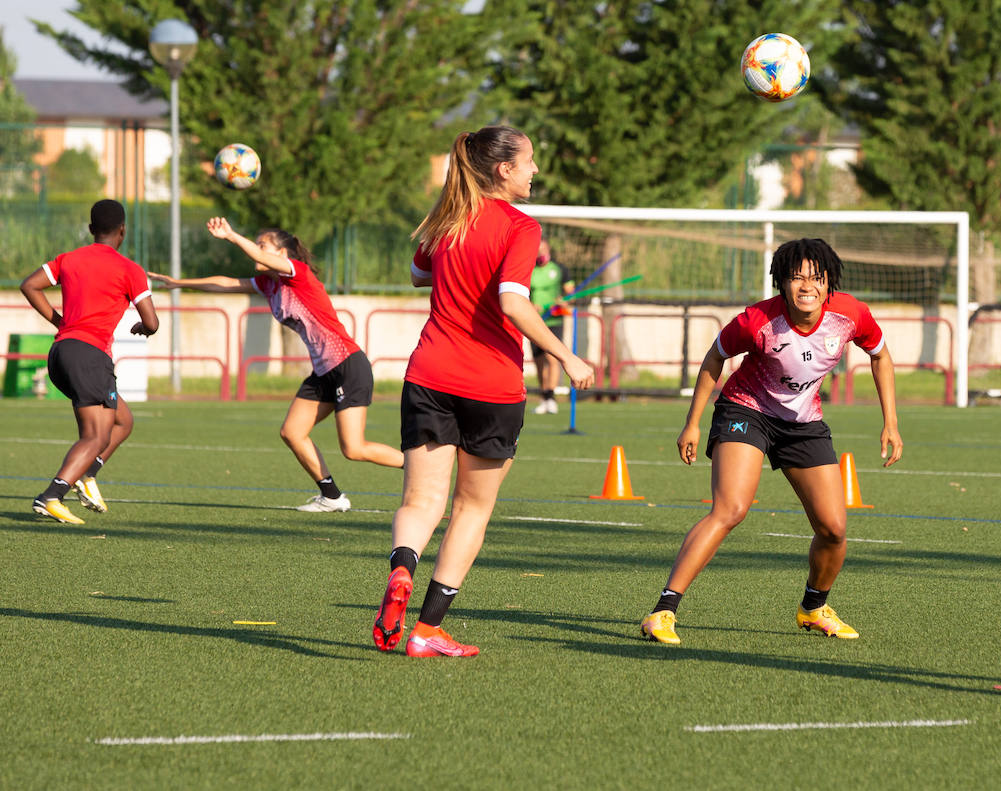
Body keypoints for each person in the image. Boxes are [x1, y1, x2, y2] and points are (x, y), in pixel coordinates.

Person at [371, 125, 595, 658]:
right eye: (529, 162)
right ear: (503, 169)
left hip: (428, 375)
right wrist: (566, 356)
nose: (535, 170)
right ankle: (427, 630)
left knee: (421, 500)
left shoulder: (448, 218)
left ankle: (402, 568)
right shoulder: (520, 226)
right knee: (471, 509)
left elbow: (415, 274)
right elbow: (513, 302)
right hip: (491, 386)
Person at [639, 238, 902, 646]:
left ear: (829, 281)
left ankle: (814, 608)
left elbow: (880, 356)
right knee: (731, 509)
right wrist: (691, 423)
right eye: (797, 277)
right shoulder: (756, 321)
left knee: (833, 528)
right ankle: (662, 611)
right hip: (746, 410)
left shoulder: (850, 315)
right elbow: (714, 358)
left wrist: (891, 423)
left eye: (817, 278)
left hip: (803, 421)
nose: (807, 286)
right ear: (781, 282)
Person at [149, 218, 403, 512]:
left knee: (354, 449)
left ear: (282, 255)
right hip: (323, 372)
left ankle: (416, 467)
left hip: (347, 365)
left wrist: (231, 236)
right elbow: (228, 283)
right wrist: (179, 283)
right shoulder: (268, 284)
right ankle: (332, 497)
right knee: (292, 432)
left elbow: (257, 258)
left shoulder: (299, 274)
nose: (257, 250)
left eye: (263, 245)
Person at [20, 199, 159, 525]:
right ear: (123, 230)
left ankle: (87, 474)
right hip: (90, 356)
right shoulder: (130, 269)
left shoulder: (69, 259)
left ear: (90, 229)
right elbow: (152, 323)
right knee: (95, 435)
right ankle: (51, 496)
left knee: (122, 421)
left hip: (61, 354)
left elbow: (29, 285)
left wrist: (59, 321)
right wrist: (141, 327)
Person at [529, 238, 571, 414]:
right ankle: (544, 396)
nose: (540, 252)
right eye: (537, 249)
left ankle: (551, 397)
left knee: (552, 359)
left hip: (554, 320)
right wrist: (530, 306)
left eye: (543, 249)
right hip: (533, 321)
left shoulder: (559, 269)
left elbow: (571, 294)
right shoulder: (528, 269)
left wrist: (564, 301)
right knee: (539, 362)